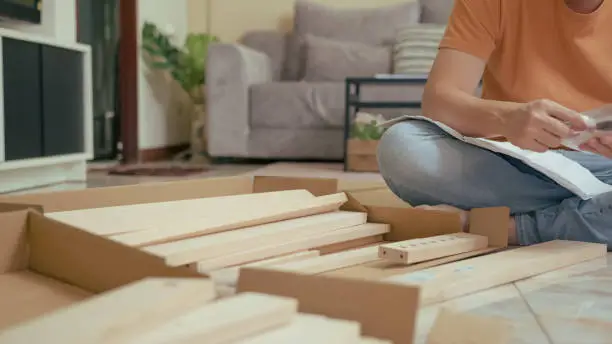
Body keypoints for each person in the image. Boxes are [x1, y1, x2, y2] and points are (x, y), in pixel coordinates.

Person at [377, 0, 612, 249]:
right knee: (403, 147)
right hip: (512, 166)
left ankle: (509, 228)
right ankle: (590, 215)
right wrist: (507, 119)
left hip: (605, 168)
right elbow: (439, 102)